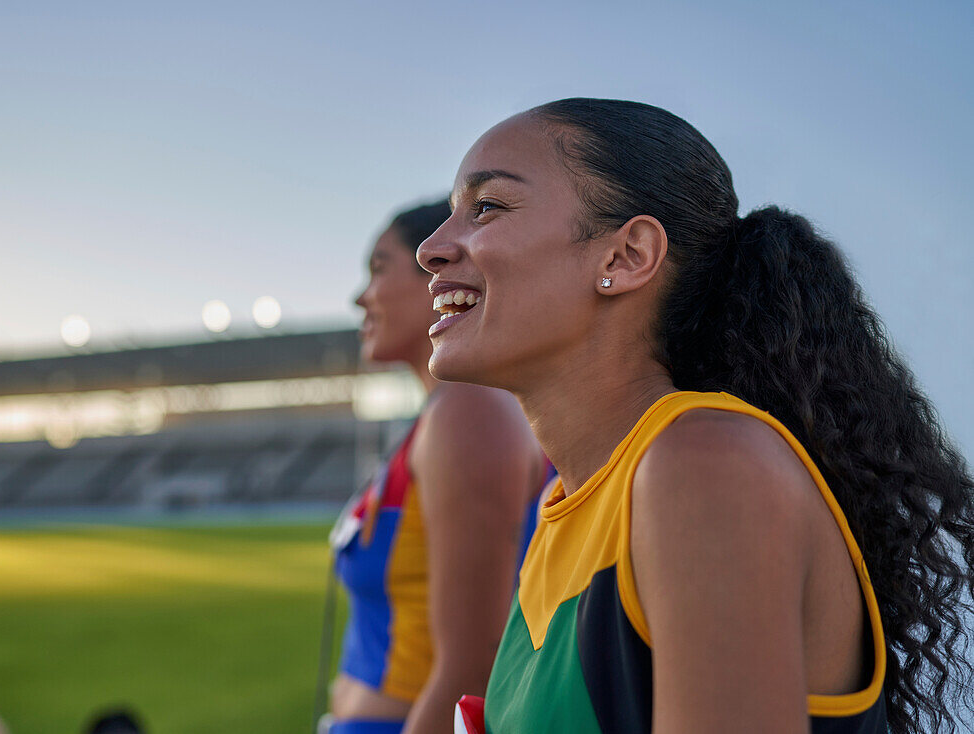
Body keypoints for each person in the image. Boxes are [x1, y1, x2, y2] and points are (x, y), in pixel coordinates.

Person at [417, 99, 974, 734]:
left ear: (626, 257)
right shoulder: (567, 506)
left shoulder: (707, 466)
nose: (431, 251)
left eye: (487, 207)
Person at [327, 200, 546, 734]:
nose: (361, 297)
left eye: (379, 268)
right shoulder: (448, 413)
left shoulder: (466, 411)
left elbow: (473, 664)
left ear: (443, 276)